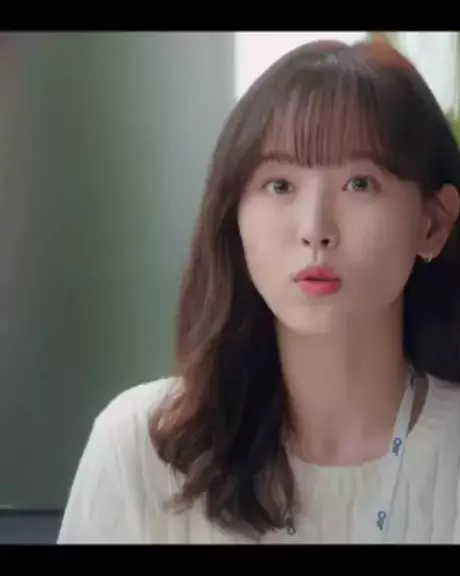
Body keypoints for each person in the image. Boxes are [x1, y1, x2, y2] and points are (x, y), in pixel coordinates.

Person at [57, 38, 460, 544]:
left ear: (433, 223)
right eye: (280, 185)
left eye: (360, 183)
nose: (315, 229)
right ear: (235, 219)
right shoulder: (144, 448)